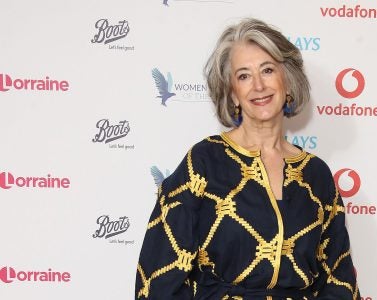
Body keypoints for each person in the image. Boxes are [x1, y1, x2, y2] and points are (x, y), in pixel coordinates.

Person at [136, 18, 360, 299]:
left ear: (288, 82)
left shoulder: (316, 175)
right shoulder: (203, 163)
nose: (258, 85)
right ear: (232, 95)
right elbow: (158, 279)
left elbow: (339, 281)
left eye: (267, 70)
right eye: (243, 76)